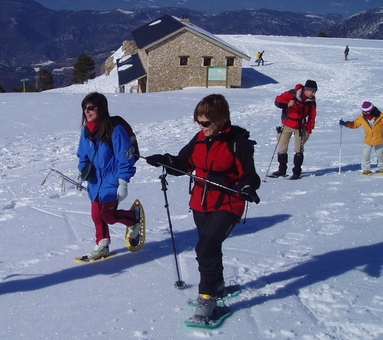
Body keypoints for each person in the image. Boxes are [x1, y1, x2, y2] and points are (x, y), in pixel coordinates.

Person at [145, 94, 261, 323]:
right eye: (199, 122)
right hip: (201, 203)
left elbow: (249, 175)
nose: (202, 127)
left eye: (206, 123)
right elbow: (182, 164)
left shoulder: (235, 142)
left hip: (228, 204)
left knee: (206, 248)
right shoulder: (199, 138)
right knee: (210, 247)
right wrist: (164, 161)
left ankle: (206, 298)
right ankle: (216, 286)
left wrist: (247, 187)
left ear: (220, 120)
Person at [76, 92, 140, 261]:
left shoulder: (115, 130)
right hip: (95, 182)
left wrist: (123, 182)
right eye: (84, 108)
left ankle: (133, 218)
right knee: (97, 215)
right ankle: (102, 245)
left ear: (101, 108)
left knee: (108, 216)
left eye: (91, 107)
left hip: (112, 180)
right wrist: (83, 172)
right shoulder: (86, 132)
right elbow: (83, 155)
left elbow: (125, 157)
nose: (87, 111)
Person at [271, 80, 318, 180]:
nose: (313, 94)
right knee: (282, 148)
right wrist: (287, 104)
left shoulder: (312, 102)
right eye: (312, 91)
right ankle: (282, 170)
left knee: (299, 150)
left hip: (301, 126)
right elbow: (277, 101)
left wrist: (309, 129)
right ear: (306, 90)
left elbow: (312, 116)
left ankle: (296, 172)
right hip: (287, 124)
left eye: (315, 92)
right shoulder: (292, 93)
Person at [340, 101, 383, 175]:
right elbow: (354, 124)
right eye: (364, 113)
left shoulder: (381, 116)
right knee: (365, 154)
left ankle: (382, 168)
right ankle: (366, 169)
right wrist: (345, 124)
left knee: (380, 154)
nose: (366, 115)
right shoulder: (362, 117)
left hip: (379, 139)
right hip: (368, 139)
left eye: (367, 113)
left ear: (372, 111)